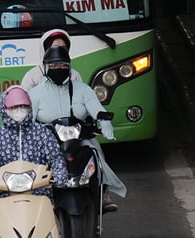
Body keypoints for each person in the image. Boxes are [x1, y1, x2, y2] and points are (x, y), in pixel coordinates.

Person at [28, 45, 125, 211]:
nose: (59, 68)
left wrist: (104, 121)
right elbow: (28, 119)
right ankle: (33, 199)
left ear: (69, 67)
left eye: (63, 65)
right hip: (48, 141)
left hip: (79, 137)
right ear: (45, 68)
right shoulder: (35, 94)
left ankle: (103, 192)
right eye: (54, 66)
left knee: (96, 151)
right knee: (31, 163)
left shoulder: (83, 90)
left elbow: (97, 109)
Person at [0, 86, 68, 195]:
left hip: (39, 193)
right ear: (4, 108)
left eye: (23, 106)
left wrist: (60, 174)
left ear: (30, 107)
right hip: (4, 195)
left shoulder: (42, 133)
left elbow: (55, 156)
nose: (19, 110)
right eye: (14, 107)